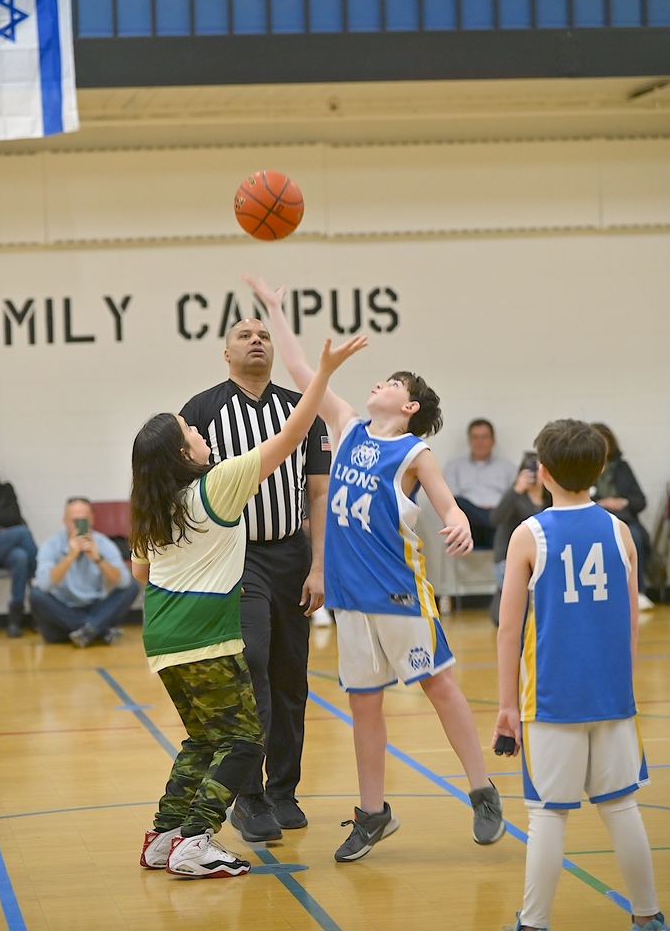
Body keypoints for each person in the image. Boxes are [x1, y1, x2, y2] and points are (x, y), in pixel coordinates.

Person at [245, 274, 505, 862]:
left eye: (391, 382)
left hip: (398, 593)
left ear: (409, 407)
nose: (379, 383)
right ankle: (373, 813)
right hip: (350, 599)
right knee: (364, 703)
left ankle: (483, 791)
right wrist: (274, 309)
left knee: (437, 685)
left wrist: (459, 519)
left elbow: (446, 500)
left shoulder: (413, 452)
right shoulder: (347, 427)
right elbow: (300, 373)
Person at [132, 334, 365, 878]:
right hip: (204, 634)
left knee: (201, 740)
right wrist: (322, 373)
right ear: (183, 453)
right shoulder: (219, 484)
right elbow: (287, 439)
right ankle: (197, 838)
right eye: (190, 432)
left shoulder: (151, 507)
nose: (197, 431)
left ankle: (164, 834)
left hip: (162, 639)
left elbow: (141, 571)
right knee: (240, 739)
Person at [493, 419, 667, 931]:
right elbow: (630, 625)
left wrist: (507, 706)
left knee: (548, 815)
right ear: (600, 471)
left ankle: (535, 923)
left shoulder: (530, 534)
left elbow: (507, 631)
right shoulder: (621, 531)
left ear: (541, 472)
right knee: (622, 809)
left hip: (550, 700)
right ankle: (649, 915)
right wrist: (619, 688)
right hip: (612, 697)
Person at [180, 316, 333, 842]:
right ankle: (247, 797)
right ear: (227, 354)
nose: (257, 341)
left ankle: (284, 790)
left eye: (264, 335)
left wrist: (318, 565)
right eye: (245, 335)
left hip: (291, 553)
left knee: (292, 676)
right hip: (234, 556)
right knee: (253, 667)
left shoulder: (301, 409)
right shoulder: (200, 411)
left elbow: (319, 495)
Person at [31, 497, 140, 646]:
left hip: (95, 607)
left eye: (83, 521)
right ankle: (96, 629)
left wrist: (97, 558)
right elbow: (43, 585)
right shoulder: (51, 545)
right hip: (63, 610)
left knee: (132, 587)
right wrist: (70, 557)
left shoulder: (102, 543)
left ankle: (87, 630)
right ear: (65, 521)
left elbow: (124, 582)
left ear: (92, 520)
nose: (78, 526)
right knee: (36, 595)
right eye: (74, 521)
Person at [590, 422, 654, 611]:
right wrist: (602, 503)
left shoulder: (622, 467)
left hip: (624, 519)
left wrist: (622, 502)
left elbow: (640, 500)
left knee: (634, 536)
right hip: (596, 520)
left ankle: (638, 590)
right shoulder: (585, 467)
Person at [487, 452, 551, 626]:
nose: (534, 475)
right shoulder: (515, 497)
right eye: (529, 470)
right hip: (508, 558)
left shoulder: (549, 499)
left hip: (540, 558)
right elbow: (496, 518)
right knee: (514, 617)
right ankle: (502, 600)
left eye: (538, 469)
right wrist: (516, 489)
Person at [443, 418, 515, 549]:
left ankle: (491, 520)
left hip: (497, 528)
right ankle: (490, 520)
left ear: (493, 441)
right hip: (469, 527)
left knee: (511, 511)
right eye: (475, 437)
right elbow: (450, 500)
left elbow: (513, 499)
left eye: (484, 437)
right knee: (458, 502)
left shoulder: (508, 468)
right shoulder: (454, 467)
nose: (479, 442)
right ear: (469, 441)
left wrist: (497, 512)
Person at [0, 453, 38, 637]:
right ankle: (41, 581)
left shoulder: (5, 489)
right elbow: (9, 522)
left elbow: (13, 518)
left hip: (5, 546)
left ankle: (16, 617)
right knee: (22, 533)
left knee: (21, 557)